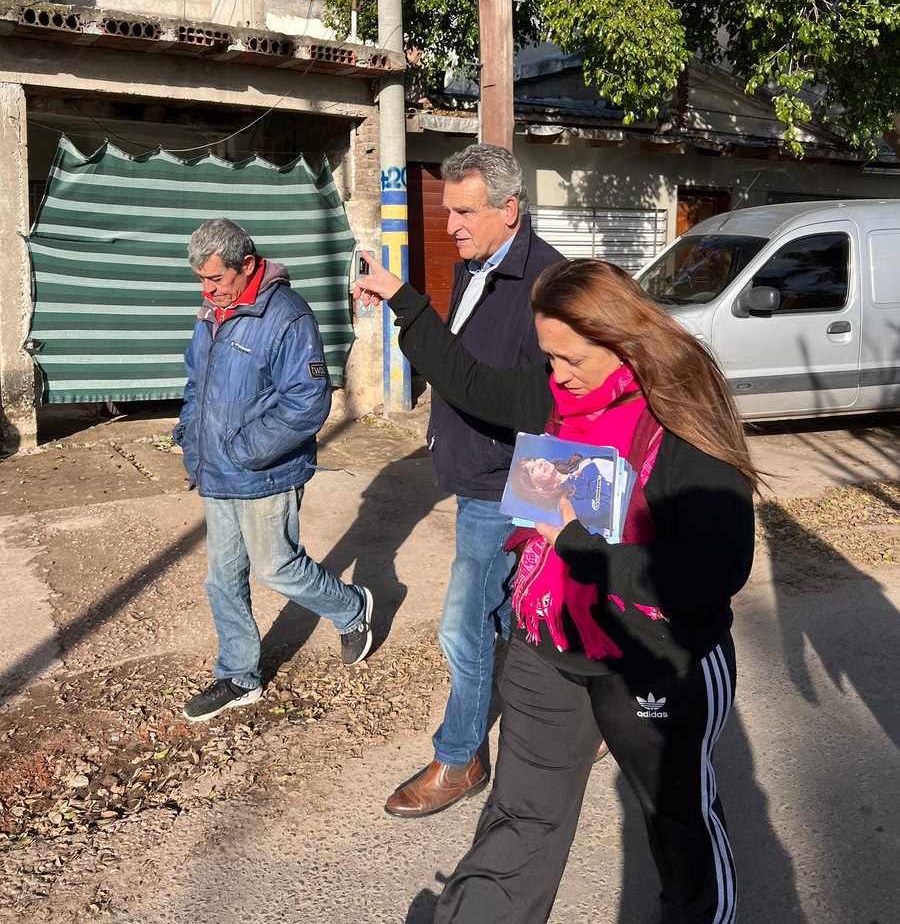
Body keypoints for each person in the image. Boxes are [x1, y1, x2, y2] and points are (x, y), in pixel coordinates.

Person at [356, 253, 756, 924]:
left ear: (620, 339)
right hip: (548, 643)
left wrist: (583, 544)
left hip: (654, 658)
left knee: (679, 827)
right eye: (548, 357)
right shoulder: (554, 393)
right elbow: (471, 382)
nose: (556, 374)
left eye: (569, 358)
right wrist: (406, 302)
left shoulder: (683, 410)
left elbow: (716, 569)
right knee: (521, 818)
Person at [383, 143, 564, 819]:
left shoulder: (548, 283)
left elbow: (525, 400)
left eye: (464, 211)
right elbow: (457, 364)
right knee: (519, 619)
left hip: (512, 483)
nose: (452, 224)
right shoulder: (473, 268)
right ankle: (586, 709)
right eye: (447, 210)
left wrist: (405, 306)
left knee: (463, 626)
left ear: (508, 209)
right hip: (476, 475)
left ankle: (460, 758)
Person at [173, 218, 373, 723]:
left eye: (215, 279)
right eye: (201, 280)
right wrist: (190, 434)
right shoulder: (212, 311)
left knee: (275, 567)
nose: (207, 289)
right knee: (222, 578)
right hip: (216, 470)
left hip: (262, 470)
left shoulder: (288, 316)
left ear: (246, 265)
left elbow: (308, 402)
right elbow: (198, 380)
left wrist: (242, 450)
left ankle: (351, 608)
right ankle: (239, 675)